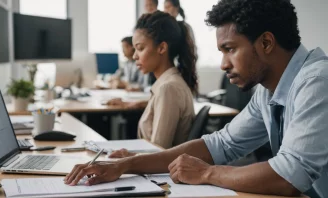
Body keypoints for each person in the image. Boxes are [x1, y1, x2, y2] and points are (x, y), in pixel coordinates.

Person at [64, 0, 328, 197]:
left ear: (266, 43)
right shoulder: (268, 90)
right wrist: (126, 164)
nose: (224, 64)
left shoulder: (317, 80)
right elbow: (220, 144)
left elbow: (290, 176)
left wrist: (207, 173)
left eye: (230, 49)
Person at [110, 11, 197, 152]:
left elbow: (158, 151)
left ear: (161, 48)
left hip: (160, 171)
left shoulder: (168, 88)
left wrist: (125, 161)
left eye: (140, 48)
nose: (134, 56)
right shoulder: (167, 83)